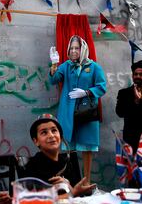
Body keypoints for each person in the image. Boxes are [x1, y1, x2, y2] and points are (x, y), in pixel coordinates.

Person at [49, 35, 107, 184]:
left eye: (77, 48)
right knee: (69, 146)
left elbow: (102, 87)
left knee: (87, 147)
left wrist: (87, 92)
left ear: (83, 49)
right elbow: (54, 80)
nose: (74, 51)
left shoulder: (94, 67)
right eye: (71, 48)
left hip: (86, 113)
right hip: (68, 112)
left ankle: (86, 182)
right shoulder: (66, 66)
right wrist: (55, 64)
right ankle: (72, 181)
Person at [22, 114, 96, 197]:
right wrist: (72, 192)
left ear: (60, 137)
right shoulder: (33, 167)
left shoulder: (66, 162)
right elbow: (37, 200)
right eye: (44, 132)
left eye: (54, 130)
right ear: (36, 141)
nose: (51, 135)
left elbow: (76, 191)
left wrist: (73, 187)